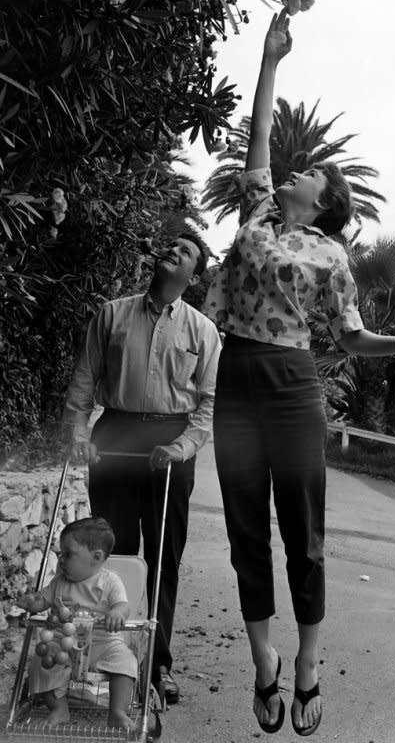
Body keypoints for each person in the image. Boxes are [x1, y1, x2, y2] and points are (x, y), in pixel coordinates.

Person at [203, 10, 395, 736]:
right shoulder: (255, 213)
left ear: (324, 203)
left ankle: (308, 668)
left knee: (301, 534)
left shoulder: (330, 256)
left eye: (308, 173)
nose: (293, 170)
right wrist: (270, 60)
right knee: (246, 534)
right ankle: (265, 664)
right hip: (238, 378)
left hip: (291, 386)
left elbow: (350, 336)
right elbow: (259, 136)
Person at [63, 231, 222, 705]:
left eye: (187, 251)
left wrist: (183, 446)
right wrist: (79, 436)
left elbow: (209, 402)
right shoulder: (111, 313)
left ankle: (158, 666)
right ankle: (108, 665)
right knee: (108, 557)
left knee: (162, 559)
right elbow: (84, 380)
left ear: (193, 275)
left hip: (170, 448)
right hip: (115, 436)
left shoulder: (202, 331)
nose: (173, 250)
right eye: (170, 244)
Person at [18, 517, 137, 730]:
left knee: (126, 662)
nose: (61, 560)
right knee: (41, 659)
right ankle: (58, 707)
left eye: (68, 554)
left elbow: (122, 605)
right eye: (61, 554)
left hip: (102, 642)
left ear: (96, 557)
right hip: (63, 642)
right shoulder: (59, 582)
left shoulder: (110, 581)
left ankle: (117, 711)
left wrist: (117, 613)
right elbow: (42, 600)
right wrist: (31, 602)